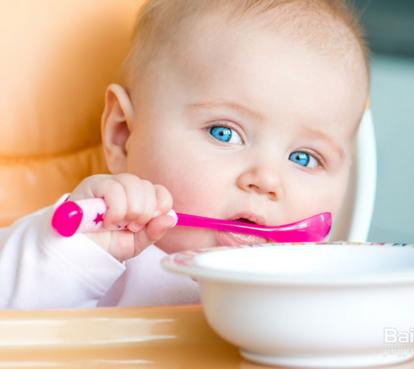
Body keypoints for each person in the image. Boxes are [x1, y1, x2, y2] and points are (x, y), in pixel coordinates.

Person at [0, 0, 370, 308]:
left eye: (304, 158)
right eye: (224, 133)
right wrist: (74, 251)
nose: (267, 180)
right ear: (122, 134)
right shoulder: (104, 251)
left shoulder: (320, 292)